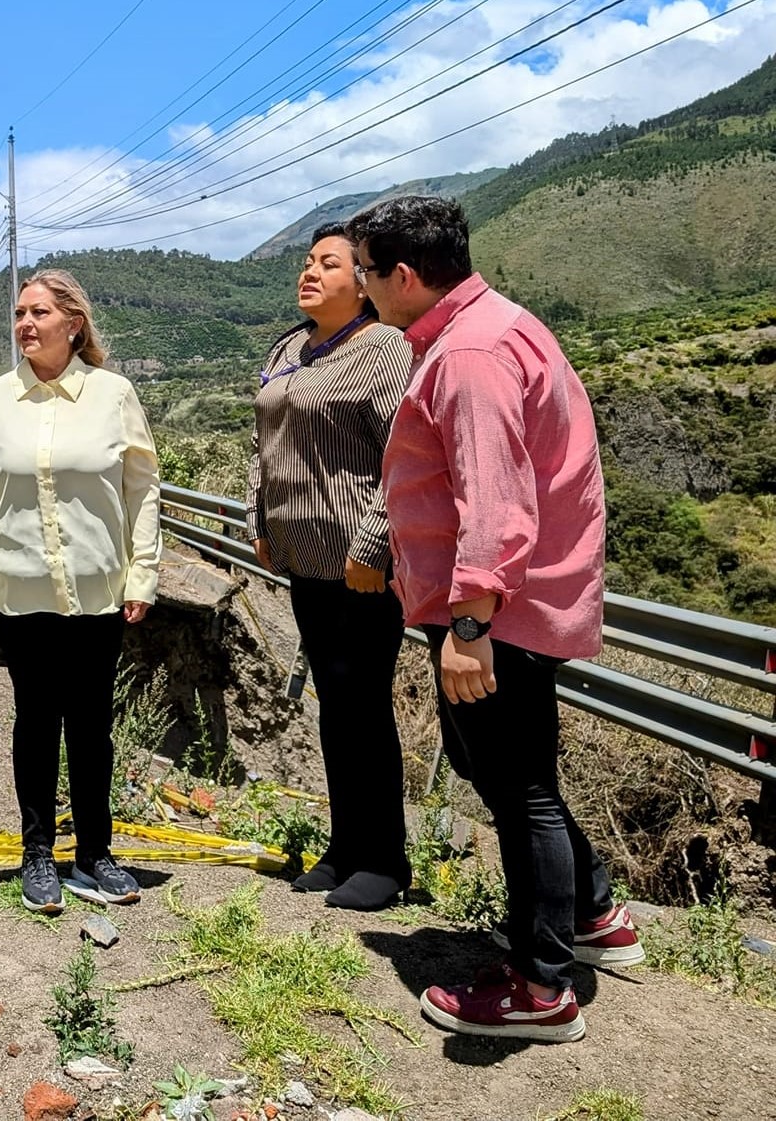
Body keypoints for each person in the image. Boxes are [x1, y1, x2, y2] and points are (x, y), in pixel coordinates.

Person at [346, 195, 639, 1044]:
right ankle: (592, 915)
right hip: (505, 605)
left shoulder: (469, 353)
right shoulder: (484, 328)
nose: (364, 289)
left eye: (365, 272)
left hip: (496, 612)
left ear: (403, 275)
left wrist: (470, 626)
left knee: (521, 791)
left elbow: (497, 502)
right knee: (508, 773)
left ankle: (542, 987)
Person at [0, 268, 163, 914]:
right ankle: (38, 855)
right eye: (19, 314)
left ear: (74, 324)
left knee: (93, 727)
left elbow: (143, 487)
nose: (25, 325)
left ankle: (95, 853)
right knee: (36, 724)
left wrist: (142, 571)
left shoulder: (113, 394)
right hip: (21, 596)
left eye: (39, 313)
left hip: (98, 594)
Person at [246, 224, 414, 911]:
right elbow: (265, 443)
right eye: (308, 261)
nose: (309, 271)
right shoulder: (291, 345)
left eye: (329, 263)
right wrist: (258, 519)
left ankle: (385, 859)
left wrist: (372, 545)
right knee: (335, 708)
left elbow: (403, 459)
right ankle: (346, 846)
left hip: (361, 568)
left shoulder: (386, 349)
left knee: (365, 707)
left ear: (363, 281)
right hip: (304, 562)